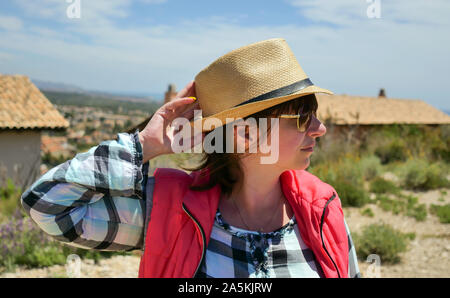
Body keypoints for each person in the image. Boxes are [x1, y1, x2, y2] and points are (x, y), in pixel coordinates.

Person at [21, 38, 360, 278]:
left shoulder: (322, 211)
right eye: (302, 118)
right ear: (245, 134)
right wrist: (143, 146)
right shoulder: (167, 212)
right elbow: (47, 205)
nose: (320, 128)